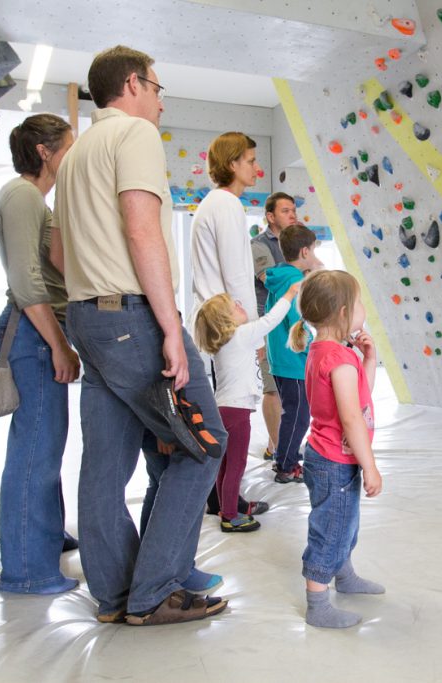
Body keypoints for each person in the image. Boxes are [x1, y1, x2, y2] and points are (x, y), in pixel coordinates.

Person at [53, 45, 228, 625]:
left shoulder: (75, 155)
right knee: (205, 445)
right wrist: (171, 327)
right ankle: (155, 592)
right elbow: (141, 228)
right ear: (133, 84)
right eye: (157, 88)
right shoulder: (134, 136)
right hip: (131, 318)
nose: (159, 100)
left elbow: (57, 251)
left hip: (86, 317)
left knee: (105, 465)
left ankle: (113, 596)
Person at [0, 113, 80, 594]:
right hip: (34, 333)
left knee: (45, 444)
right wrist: (59, 345)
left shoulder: (34, 199)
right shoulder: (23, 195)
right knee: (34, 452)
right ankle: (26, 569)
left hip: (35, 331)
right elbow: (26, 283)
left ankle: (43, 534)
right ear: (45, 152)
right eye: (68, 148)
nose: (73, 156)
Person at [289, 270, 384, 628]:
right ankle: (318, 605)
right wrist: (370, 466)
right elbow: (352, 420)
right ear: (344, 312)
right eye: (359, 303)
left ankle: (344, 575)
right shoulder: (340, 360)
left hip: (326, 456)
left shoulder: (327, 352)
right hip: (334, 461)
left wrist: (369, 362)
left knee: (344, 523)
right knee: (331, 529)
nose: (363, 309)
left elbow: (359, 401)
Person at [189, 131, 268, 517]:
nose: (257, 168)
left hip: (213, 320)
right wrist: (252, 331)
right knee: (234, 420)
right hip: (228, 322)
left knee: (220, 417)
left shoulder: (213, 204)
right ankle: (228, 502)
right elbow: (238, 273)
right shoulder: (227, 205)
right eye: (251, 161)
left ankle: (219, 495)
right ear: (233, 163)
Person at [193, 282, 301, 531]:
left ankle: (224, 506)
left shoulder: (224, 344)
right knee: (236, 465)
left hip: (222, 409)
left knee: (225, 464)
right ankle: (230, 516)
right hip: (236, 411)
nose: (241, 306)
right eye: (235, 307)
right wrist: (290, 293)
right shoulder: (240, 336)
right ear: (225, 321)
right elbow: (270, 321)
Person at [264, 224, 324, 483]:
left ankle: (284, 459)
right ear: (304, 251)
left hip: (280, 358)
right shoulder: (293, 283)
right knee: (298, 416)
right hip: (293, 360)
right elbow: (297, 324)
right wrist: (317, 347)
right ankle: (286, 464)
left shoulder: (280, 276)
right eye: (312, 251)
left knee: (293, 413)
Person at [252, 192, 298, 460]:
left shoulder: (294, 242)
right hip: (268, 325)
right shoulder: (259, 245)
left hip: (293, 322)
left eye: (293, 210)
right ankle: (278, 449)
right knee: (272, 386)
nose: (292, 215)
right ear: (270, 217)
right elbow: (270, 279)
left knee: (292, 386)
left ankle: (283, 443)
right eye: (285, 211)